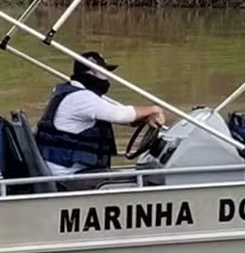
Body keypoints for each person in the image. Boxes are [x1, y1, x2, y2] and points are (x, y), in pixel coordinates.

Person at [34, 51, 165, 187]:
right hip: (69, 177)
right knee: (150, 181)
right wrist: (154, 109)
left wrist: (145, 118)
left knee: (140, 176)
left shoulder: (70, 93)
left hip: (65, 172)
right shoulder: (81, 99)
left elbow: (125, 118)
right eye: (105, 73)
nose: (108, 79)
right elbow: (120, 115)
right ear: (91, 73)